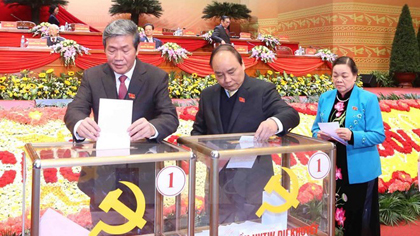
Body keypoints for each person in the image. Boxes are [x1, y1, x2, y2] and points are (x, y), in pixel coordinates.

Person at [64, 19, 178, 235]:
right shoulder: (93, 76)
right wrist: (80, 123)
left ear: (137, 48)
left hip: (144, 170)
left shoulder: (155, 77)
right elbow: (74, 110)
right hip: (104, 172)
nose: (118, 58)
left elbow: (169, 117)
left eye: (125, 50)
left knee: (147, 228)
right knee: (106, 228)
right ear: (104, 49)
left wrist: (152, 127)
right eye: (112, 50)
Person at [192, 44, 300, 223]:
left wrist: (274, 122)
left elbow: (291, 115)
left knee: (251, 227)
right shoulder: (208, 95)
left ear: (243, 65)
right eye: (219, 74)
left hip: (252, 182)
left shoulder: (262, 91)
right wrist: (203, 152)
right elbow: (198, 132)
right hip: (219, 182)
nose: (227, 79)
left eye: (231, 71)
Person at [311, 56, 385, 236]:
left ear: (355, 76)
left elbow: (378, 134)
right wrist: (318, 135)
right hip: (335, 166)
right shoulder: (326, 98)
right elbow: (314, 128)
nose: (339, 80)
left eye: (344, 75)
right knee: (336, 212)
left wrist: (353, 136)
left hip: (360, 167)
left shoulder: (367, 99)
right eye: (335, 75)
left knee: (359, 216)